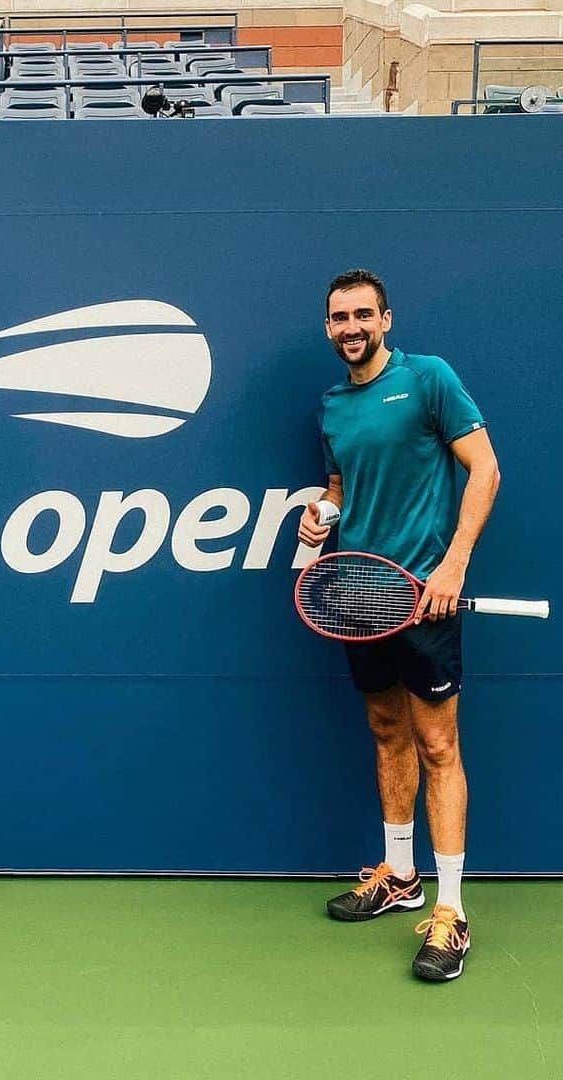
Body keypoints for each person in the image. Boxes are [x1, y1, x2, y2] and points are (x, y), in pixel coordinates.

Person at [298, 269, 499, 982]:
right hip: (361, 597)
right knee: (387, 732)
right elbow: (341, 490)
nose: (350, 327)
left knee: (438, 744)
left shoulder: (430, 380)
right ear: (328, 328)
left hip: (427, 600)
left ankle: (451, 913)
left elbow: (484, 470)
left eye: (362, 314)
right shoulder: (331, 407)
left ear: (386, 319)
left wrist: (453, 567)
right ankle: (399, 874)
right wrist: (318, 521)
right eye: (337, 317)